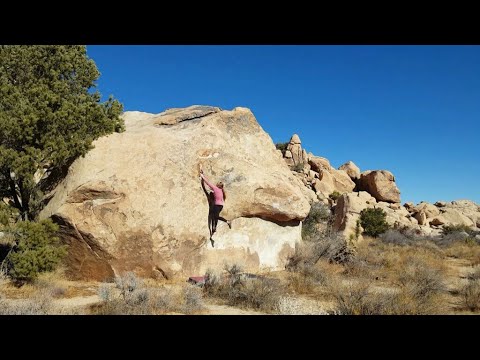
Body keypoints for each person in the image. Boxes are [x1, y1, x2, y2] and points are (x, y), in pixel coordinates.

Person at [200, 169, 231, 244]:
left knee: (215, 217)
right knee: (215, 216)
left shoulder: (215, 189)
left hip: (217, 206)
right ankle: (214, 229)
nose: (216, 184)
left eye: (217, 184)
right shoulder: (221, 191)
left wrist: (202, 175)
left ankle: (227, 221)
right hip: (220, 206)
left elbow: (208, 183)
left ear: (218, 186)